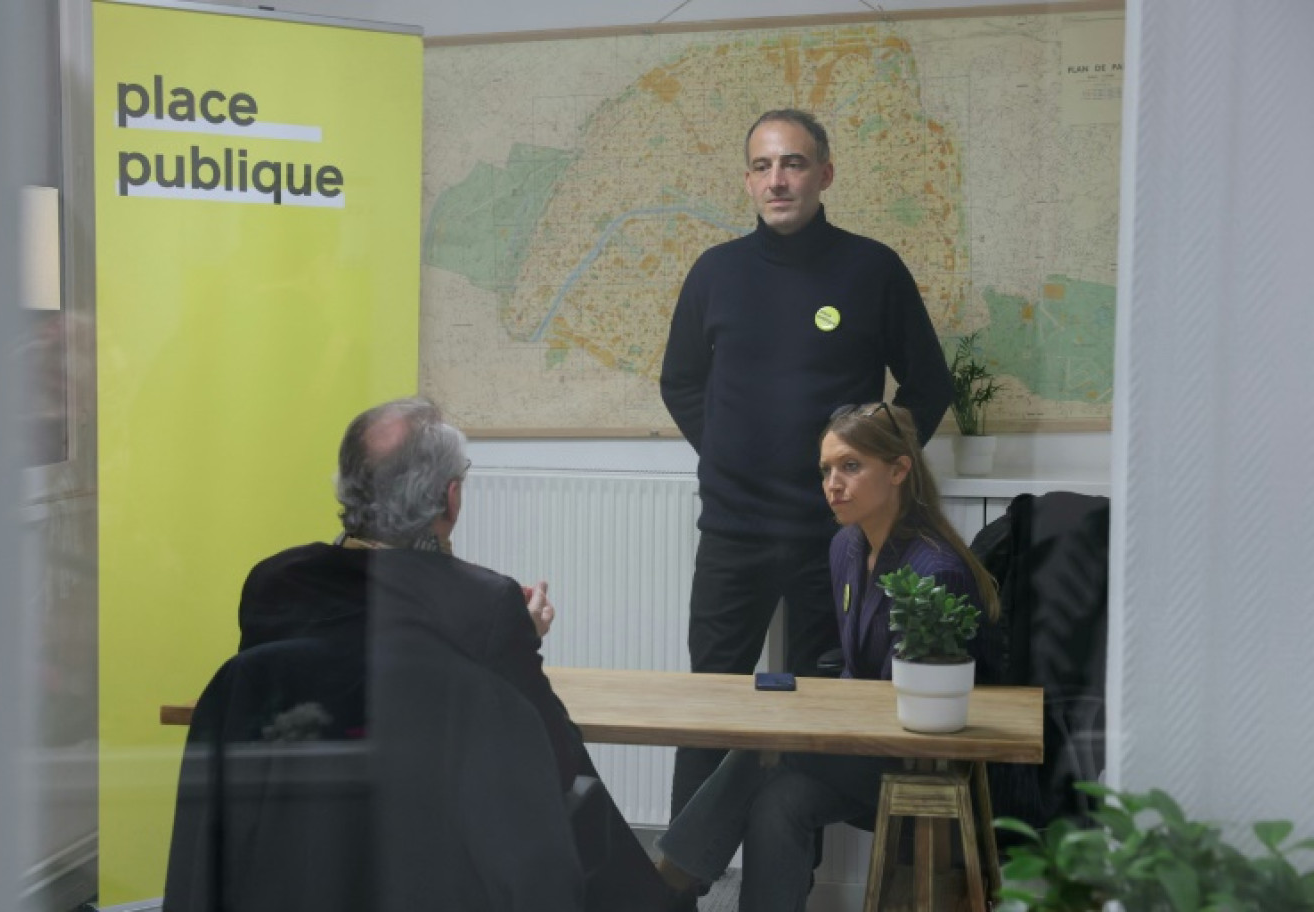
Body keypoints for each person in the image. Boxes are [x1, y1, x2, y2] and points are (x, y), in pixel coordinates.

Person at [234, 396, 670, 911]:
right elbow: (548, 762)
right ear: (451, 497)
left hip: (294, 853)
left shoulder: (273, 582)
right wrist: (519, 636)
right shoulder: (483, 603)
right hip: (434, 867)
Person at [659, 108, 955, 819]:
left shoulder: (871, 268)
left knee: (828, 711)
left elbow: (930, 385)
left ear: (825, 173)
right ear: (748, 181)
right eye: (762, 167)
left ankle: (787, 877)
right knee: (710, 704)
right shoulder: (716, 272)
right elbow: (681, 382)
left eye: (792, 164)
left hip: (841, 541)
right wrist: (727, 450)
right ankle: (678, 889)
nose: (777, 180)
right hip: (735, 531)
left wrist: (873, 471)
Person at [652, 402, 1001, 912]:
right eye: (826, 470)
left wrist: (798, 728)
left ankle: (665, 882)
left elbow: (909, 715)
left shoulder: (934, 571)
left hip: (916, 759)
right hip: (863, 752)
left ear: (900, 470)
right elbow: (852, 672)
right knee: (778, 801)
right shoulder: (846, 547)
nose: (833, 483)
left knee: (763, 747)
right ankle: (671, 881)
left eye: (851, 466)